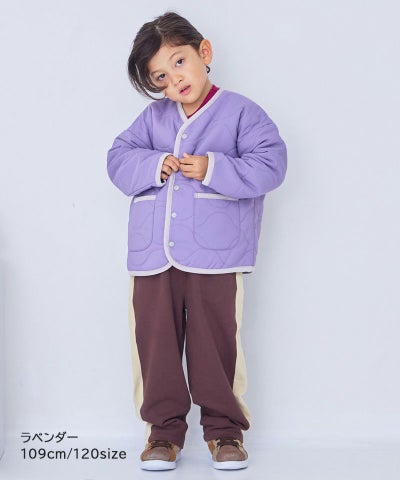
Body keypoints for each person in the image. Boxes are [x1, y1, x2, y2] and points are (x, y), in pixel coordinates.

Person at [107, 11, 287, 471]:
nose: (175, 80)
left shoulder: (241, 112)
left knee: (216, 344)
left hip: (216, 255)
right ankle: (162, 434)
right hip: (153, 256)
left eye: (179, 62)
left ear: (203, 52)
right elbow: (118, 159)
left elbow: (271, 165)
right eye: (161, 78)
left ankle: (225, 431)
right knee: (154, 344)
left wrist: (214, 168)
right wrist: (154, 165)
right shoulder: (152, 119)